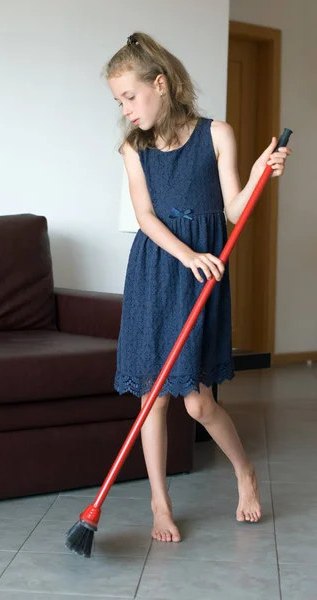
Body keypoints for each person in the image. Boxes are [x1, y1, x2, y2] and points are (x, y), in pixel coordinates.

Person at [105, 32, 291, 543]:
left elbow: (232, 211)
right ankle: (159, 504)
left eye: (130, 96)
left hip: (202, 276)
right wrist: (185, 253)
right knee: (151, 400)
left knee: (197, 402)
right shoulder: (133, 147)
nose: (125, 108)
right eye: (118, 100)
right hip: (158, 270)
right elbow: (144, 216)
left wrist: (257, 175)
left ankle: (244, 472)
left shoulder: (217, 134)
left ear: (159, 85)